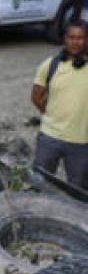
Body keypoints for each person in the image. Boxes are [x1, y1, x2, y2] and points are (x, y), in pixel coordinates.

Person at [31, 19, 88, 189]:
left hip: (81, 141)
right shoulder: (50, 65)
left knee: (78, 192)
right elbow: (36, 96)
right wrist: (50, 115)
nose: (75, 42)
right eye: (71, 37)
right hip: (49, 137)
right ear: (65, 38)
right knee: (39, 185)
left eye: (80, 38)